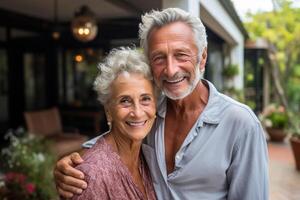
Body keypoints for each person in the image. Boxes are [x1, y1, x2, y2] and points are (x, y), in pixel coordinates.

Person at [54, 8, 269, 200]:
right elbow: (117, 136)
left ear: (202, 58)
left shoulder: (241, 124)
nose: (170, 69)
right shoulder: (150, 111)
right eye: (159, 58)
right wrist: (73, 162)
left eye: (181, 55)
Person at [70, 47, 157, 200]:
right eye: (125, 101)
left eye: (145, 99)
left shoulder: (148, 157)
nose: (137, 112)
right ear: (109, 111)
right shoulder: (91, 177)